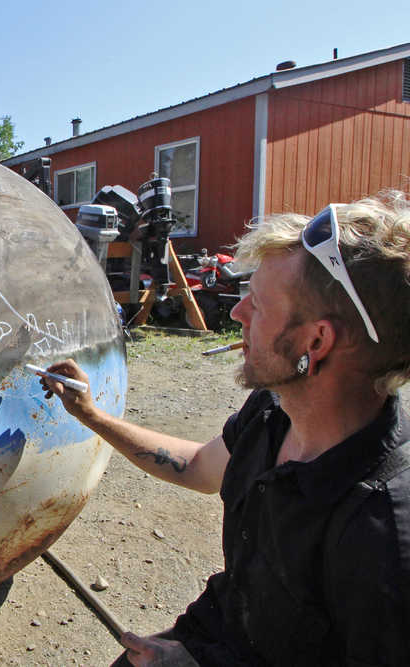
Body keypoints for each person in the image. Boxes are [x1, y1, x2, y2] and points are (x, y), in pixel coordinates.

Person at [41, 192, 410, 666]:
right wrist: (91, 415)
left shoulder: (382, 537)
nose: (237, 316)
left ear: (315, 341)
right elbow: (197, 465)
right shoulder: (273, 414)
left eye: (256, 304)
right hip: (219, 630)